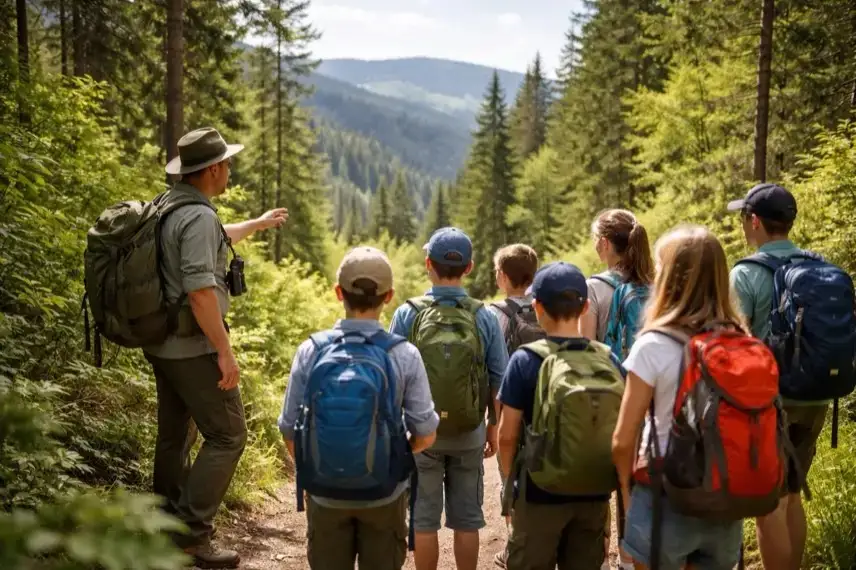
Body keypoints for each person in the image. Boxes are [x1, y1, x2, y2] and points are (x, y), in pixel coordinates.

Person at [143, 127, 288, 569]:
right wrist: (223, 350)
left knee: (173, 435)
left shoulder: (169, 206)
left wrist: (259, 224)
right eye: (225, 163)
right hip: (193, 346)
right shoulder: (198, 217)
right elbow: (201, 290)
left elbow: (217, 234)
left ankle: (162, 524)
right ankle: (192, 536)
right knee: (228, 435)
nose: (229, 169)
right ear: (211, 171)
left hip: (161, 343)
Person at [278, 246, 439, 570]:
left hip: (324, 494)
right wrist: (391, 457)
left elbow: (288, 429)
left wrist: (323, 464)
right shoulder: (404, 354)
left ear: (339, 293)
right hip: (384, 493)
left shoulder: (311, 350)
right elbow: (425, 433)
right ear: (389, 295)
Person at [612, 226, 745, 570]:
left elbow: (623, 441)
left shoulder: (653, 345)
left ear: (668, 277)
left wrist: (629, 501)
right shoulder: (741, 340)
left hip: (664, 499)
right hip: (724, 500)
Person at [389, 227, 508, 570]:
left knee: (423, 520)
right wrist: (493, 426)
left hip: (419, 435)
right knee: (467, 519)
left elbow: (394, 375)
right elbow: (499, 378)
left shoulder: (407, 314)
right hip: (469, 433)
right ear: (469, 268)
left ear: (429, 264)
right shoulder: (483, 316)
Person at [727, 184, 829, 570]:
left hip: (769, 403)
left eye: (743, 218)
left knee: (769, 503)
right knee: (792, 495)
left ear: (754, 222)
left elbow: (732, 343)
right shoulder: (817, 264)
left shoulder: (745, 274)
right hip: (817, 393)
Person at [498, 262, 623, 570]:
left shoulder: (525, 360)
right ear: (584, 307)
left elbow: (507, 435)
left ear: (537, 307)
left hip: (540, 493)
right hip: (594, 495)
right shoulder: (608, 359)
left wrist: (510, 486)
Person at [583, 209, 653, 570]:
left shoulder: (594, 288)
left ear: (606, 244)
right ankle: (637, 557)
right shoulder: (654, 285)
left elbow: (585, 349)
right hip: (652, 397)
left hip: (609, 397)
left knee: (603, 481)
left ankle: (605, 555)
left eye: (597, 239)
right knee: (640, 480)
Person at [487, 244, 543, 569]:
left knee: (510, 478)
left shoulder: (495, 314)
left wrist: (492, 421)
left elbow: (492, 368)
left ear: (503, 277)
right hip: (548, 406)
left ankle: (515, 547)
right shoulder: (544, 307)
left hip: (510, 408)